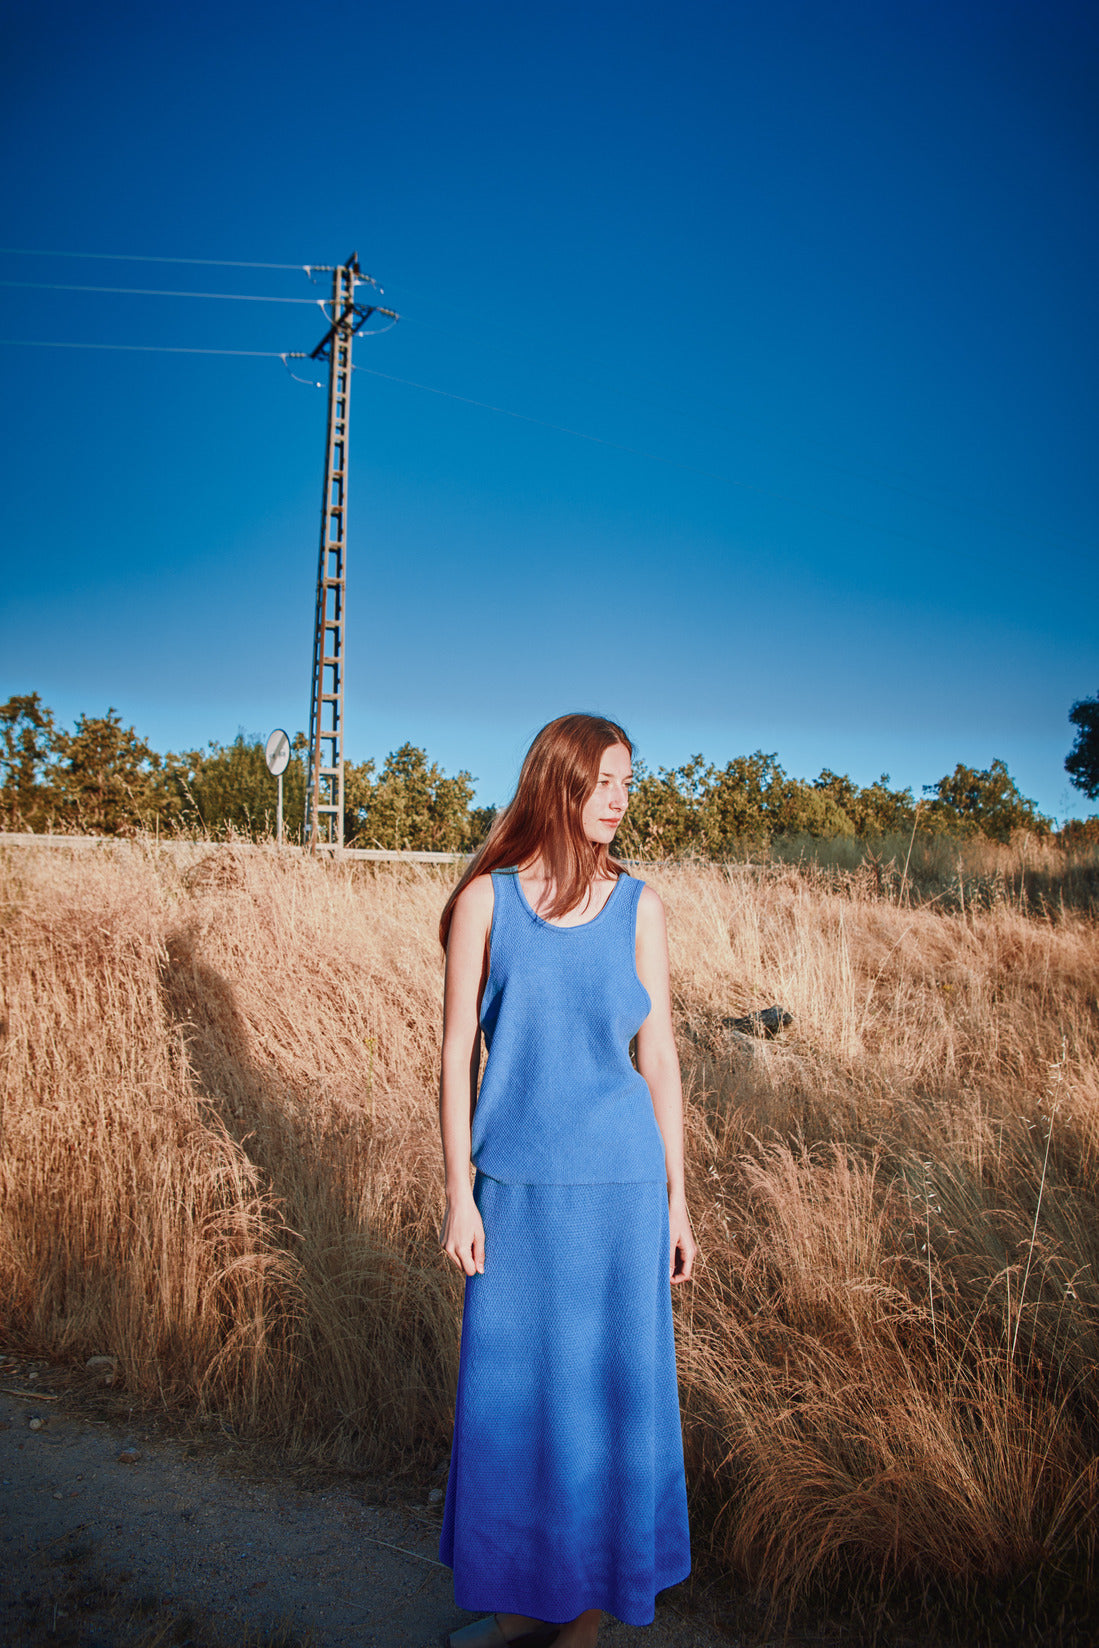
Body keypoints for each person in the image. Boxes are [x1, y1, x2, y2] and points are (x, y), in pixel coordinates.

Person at [436, 712, 695, 1648]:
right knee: (511, 1406)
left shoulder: (642, 906)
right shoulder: (486, 902)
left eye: (630, 781)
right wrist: (458, 1191)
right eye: (607, 781)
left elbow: (658, 1056)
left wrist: (679, 1201)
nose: (622, 799)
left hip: (622, 1195)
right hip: (512, 1191)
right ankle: (517, 1616)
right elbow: (457, 1050)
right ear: (560, 782)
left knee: (604, 1407)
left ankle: (581, 1625)